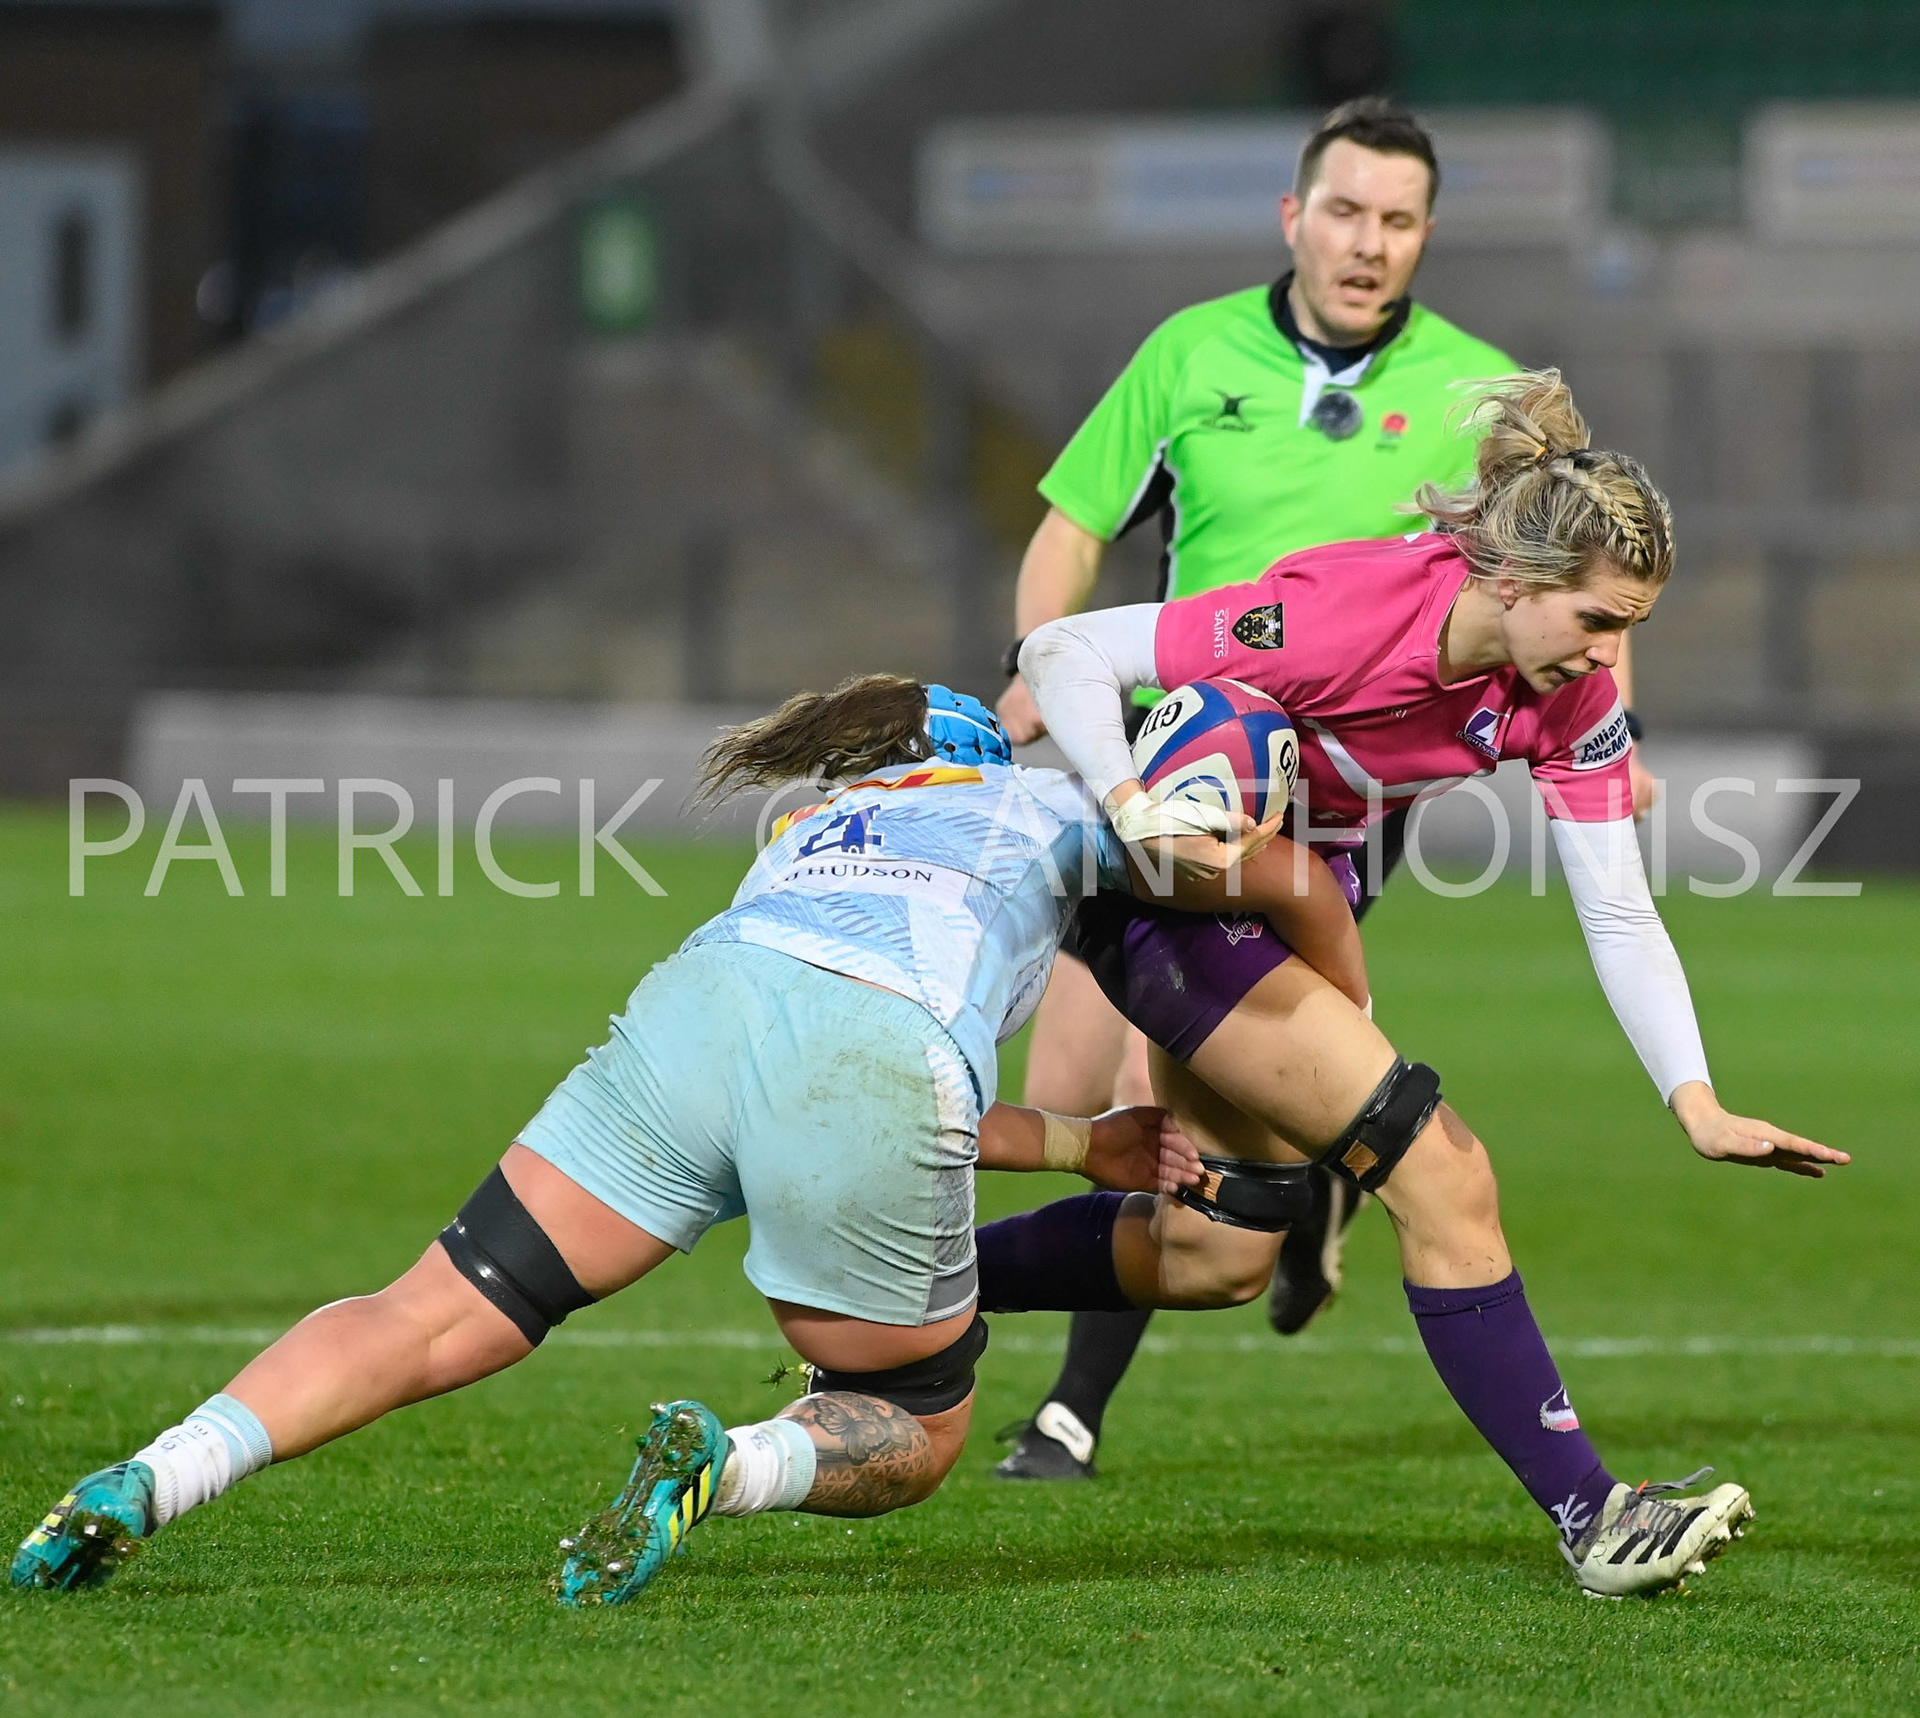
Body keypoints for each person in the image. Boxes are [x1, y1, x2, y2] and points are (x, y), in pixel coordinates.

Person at [13, 682, 1251, 1604]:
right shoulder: (1040, 799)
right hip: (875, 1049)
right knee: (915, 1421)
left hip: (701, 1010)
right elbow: (1196, 846)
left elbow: (816, 1056)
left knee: (430, 1307)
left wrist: (1083, 1143)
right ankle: (727, 1463)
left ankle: (154, 1473)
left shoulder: (806, 833)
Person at [974, 370, 1848, 1595]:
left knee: (1221, 1247)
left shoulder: (1570, 694)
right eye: (1599, 620)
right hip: (1160, 896)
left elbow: (1616, 903)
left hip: (1269, 897)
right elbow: (1062, 646)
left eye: (1631, 628)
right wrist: (1133, 806)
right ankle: (1596, 1516)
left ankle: (913, 1292)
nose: (1612, 657)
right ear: (1510, 579)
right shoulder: (1346, 611)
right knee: (1442, 1166)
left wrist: (1692, 1100)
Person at [989, 96, 1644, 1480]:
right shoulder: (1190, 351)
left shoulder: (1484, 397)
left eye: (1398, 220)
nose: (1369, 243)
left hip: (1326, 788)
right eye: (1345, 212)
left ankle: (1069, 1406)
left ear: (1425, 237)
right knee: (1071, 1081)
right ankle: (1310, 1171)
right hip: (1163, 734)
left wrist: (1612, 743)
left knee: (1144, 1070)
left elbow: (1571, 589)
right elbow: (1074, 529)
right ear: (1295, 217)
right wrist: (1032, 674)